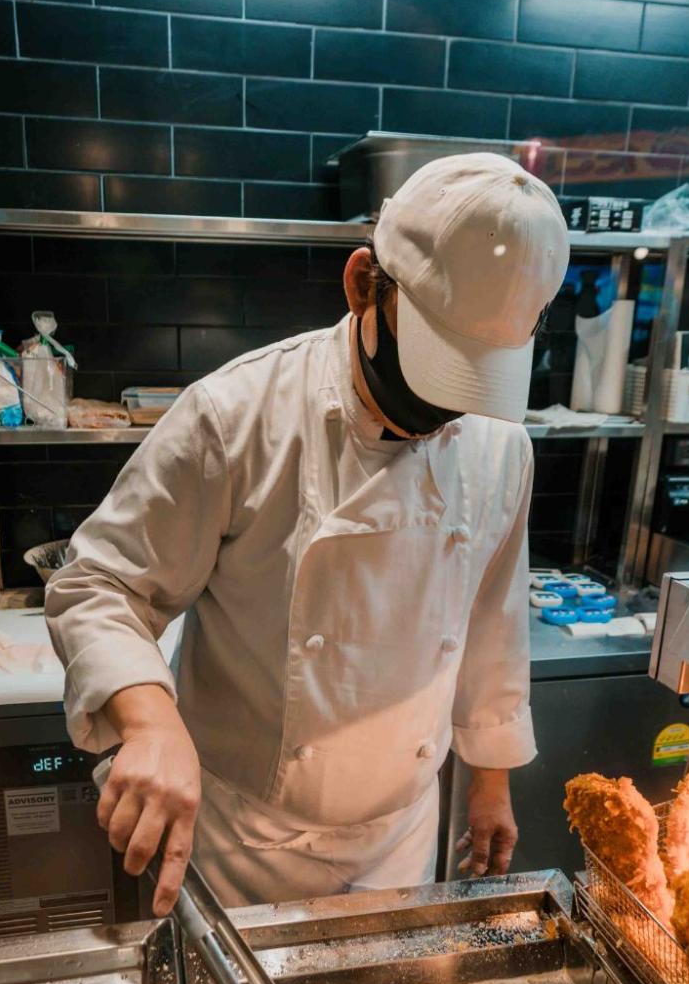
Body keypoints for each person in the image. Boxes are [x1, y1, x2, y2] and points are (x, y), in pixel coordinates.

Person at [46, 153, 568, 915]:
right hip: (241, 842)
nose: (441, 415)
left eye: (472, 382)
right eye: (434, 373)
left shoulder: (498, 444)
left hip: (400, 835)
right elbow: (100, 584)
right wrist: (150, 720)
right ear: (363, 284)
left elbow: (489, 619)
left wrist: (488, 778)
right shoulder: (236, 417)